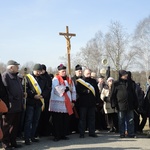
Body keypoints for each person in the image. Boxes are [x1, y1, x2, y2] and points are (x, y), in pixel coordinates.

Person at [24, 64, 50, 145]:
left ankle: (33, 136)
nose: (38, 72)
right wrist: (33, 95)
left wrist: (42, 95)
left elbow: (47, 89)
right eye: (37, 71)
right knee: (29, 120)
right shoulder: (28, 78)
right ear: (33, 70)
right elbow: (25, 88)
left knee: (36, 120)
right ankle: (27, 138)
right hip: (30, 102)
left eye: (40, 71)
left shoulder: (44, 79)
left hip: (39, 102)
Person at [49, 64, 76, 141]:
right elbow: (57, 89)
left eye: (65, 71)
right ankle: (57, 135)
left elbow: (73, 90)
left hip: (67, 103)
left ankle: (63, 134)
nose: (64, 72)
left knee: (65, 120)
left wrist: (73, 100)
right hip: (58, 102)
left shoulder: (69, 80)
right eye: (62, 71)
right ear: (59, 72)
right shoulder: (55, 79)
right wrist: (67, 88)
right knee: (57, 120)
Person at [1, 60, 24, 149]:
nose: (18, 67)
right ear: (11, 67)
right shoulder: (5, 76)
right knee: (6, 125)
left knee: (15, 125)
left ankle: (13, 142)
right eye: (16, 66)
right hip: (10, 106)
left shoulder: (17, 76)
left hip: (18, 105)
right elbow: (5, 91)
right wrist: (9, 102)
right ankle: (5, 144)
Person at [110, 70, 138, 138]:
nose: (126, 75)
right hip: (120, 105)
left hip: (130, 105)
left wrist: (136, 103)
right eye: (124, 74)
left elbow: (134, 94)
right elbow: (112, 95)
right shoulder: (116, 83)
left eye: (126, 74)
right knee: (121, 120)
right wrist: (113, 104)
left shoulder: (130, 83)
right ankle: (122, 133)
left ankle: (131, 133)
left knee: (131, 120)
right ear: (121, 75)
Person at [76, 68, 100, 138]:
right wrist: (85, 91)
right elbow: (78, 90)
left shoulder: (93, 81)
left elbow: (97, 92)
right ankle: (82, 133)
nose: (88, 75)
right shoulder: (80, 81)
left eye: (89, 73)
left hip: (92, 103)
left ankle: (92, 132)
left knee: (92, 118)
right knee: (82, 118)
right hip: (83, 103)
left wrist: (97, 101)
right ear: (84, 73)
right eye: (87, 73)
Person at [36, 64, 52, 137]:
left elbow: (48, 88)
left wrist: (43, 95)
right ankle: (38, 131)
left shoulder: (47, 78)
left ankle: (45, 131)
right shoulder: (38, 77)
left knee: (45, 117)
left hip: (46, 99)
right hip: (38, 99)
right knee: (39, 117)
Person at [71, 64, 83, 133]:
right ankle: (73, 128)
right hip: (74, 100)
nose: (80, 72)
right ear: (75, 72)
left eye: (81, 71)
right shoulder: (72, 79)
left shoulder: (83, 79)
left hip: (82, 100)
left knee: (81, 115)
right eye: (79, 71)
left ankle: (80, 129)